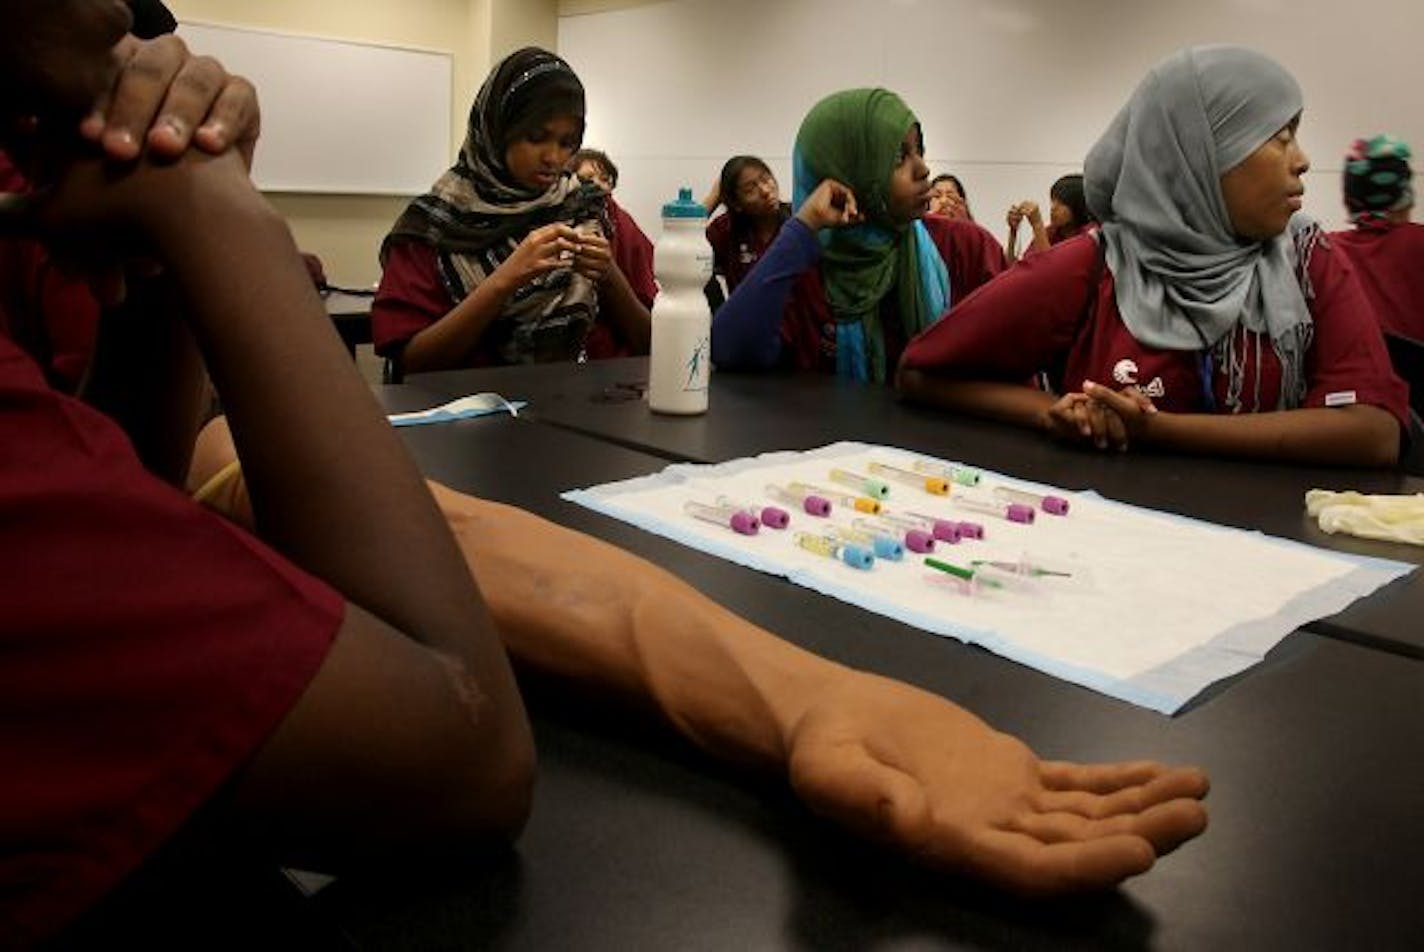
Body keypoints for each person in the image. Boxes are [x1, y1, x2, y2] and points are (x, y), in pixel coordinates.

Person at [0, 9, 1209, 944]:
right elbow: (455, 751)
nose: (560, 159)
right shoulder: (434, 220)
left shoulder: (932, 246)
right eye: (540, 136)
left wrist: (802, 692)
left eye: (574, 141)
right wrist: (222, 213)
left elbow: (190, 486)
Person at [898, 46, 1407, 468]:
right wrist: (1054, 412)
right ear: (1199, 155)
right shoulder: (1099, 264)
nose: (1303, 160)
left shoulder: (1306, 260)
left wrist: (1160, 430)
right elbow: (922, 373)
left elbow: (1373, 432)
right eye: (1280, 137)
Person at [371, 48, 651, 375]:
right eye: (536, 137)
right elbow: (413, 362)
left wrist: (609, 276)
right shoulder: (436, 225)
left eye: (567, 143)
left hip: (596, 409)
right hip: (478, 415)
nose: (553, 157)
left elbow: (654, 343)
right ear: (498, 129)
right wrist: (504, 280)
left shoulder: (596, 211)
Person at [711, 89, 1006, 382]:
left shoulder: (966, 247)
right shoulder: (806, 267)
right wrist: (802, 228)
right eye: (898, 158)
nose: (923, 169)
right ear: (848, 173)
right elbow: (728, 349)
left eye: (920, 151)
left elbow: (1013, 368)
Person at [1328, 134, 1424, 342]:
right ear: (1404, 200)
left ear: (1349, 200)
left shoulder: (1326, 250)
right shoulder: (1418, 242)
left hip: (1357, 370)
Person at [568, 146, 658, 309]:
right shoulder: (557, 215)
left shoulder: (621, 220)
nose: (598, 184)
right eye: (588, 177)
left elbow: (644, 269)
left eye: (604, 179)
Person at [702, 155, 793, 309]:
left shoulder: (797, 219)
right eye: (750, 189)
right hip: (748, 326)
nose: (765, 191)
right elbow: (682, 253)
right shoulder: (726, 230)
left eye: (766, 179)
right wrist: (713, 199)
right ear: (736, 203)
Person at [1004, 173, 1094, 263]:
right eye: (1053, 201)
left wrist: (1037, 225)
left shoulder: (1089, 236)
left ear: (1078, 206)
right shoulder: (1051, 232)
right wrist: (1013, 232)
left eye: (1061, 203)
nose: (1053, 208)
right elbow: (1018, 270)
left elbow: (1050, 270)